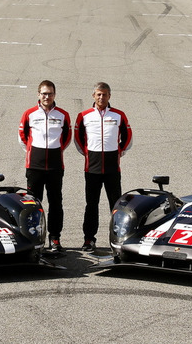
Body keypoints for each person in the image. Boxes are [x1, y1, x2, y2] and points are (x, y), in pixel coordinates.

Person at [74, 82, 132, 252]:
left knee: (116, 206)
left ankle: (118, 240)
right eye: (98, 94)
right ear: (93, 96)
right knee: (91, 205)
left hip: (112, 168)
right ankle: (89, 240)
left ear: (109, 96)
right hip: (92, 168)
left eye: (105, 94)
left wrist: (119, 151)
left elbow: (128, 137)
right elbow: (78, 139)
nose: (101, 97)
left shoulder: (119, 115)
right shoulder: (84, 115)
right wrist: (87, 154)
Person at [18, 80, 71, 253]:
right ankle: (34, 237)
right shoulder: (29, 113)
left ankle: (55, 239)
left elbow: (66, 138)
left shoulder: (63, 114)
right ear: (38, 94)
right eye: (43, 93)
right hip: (34, 166)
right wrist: (34, 152)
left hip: (55, 166)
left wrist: (55, 150)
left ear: (55, 95)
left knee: (56, 203)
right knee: (33, 203)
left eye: (50, 93)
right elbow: (22, 137)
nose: (47, 96)